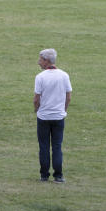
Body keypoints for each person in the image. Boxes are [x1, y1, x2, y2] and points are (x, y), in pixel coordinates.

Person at [34, 48, 72, 183]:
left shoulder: (40, 77)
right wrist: (64, 111)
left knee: (43, 146)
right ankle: (58, 175)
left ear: (46, 61)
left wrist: (36, 110)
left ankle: (44, 175)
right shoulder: (64, 75)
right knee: (57, 146)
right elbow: (68, 97)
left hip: (44, 117)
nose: (39, 62)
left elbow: (36, 98)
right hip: (58, 116)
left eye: (40, 60)